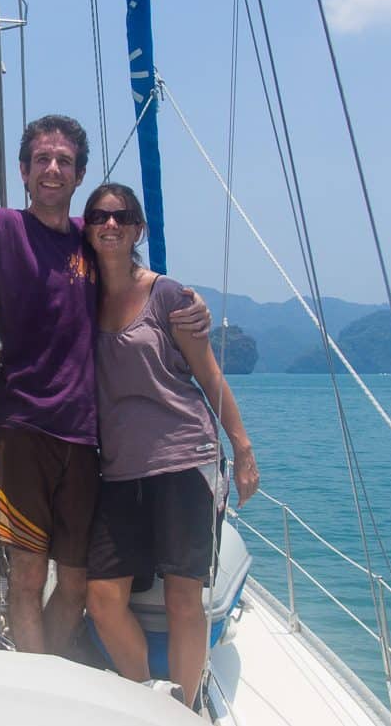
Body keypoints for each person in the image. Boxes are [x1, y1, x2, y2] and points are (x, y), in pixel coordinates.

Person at [0, 115, 209, 656]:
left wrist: (192, 305)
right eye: (43, 160)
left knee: (74, 583)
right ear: (24, 172)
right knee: (27, 578)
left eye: (65, 162)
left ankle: (47, 677)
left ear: (78, 178)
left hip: (85, 440)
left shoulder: (91, 239)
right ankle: (39, 699)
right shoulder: (1, 229)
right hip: (23, 429)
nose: (53, 169)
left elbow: (140, 286)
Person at [81, 182, 259, 708]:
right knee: (102, 597)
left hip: (185, 461)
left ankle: (186, 709)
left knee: (185, 600)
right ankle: (144, 702)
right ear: (87, 228)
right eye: (98, 216)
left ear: (139, 229)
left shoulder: (168, 297)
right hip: (118, 472)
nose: (110, 224)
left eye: (122, 216)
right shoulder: (82, 298)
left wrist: (243, 450)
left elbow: (208, 375)